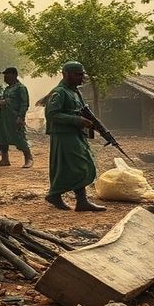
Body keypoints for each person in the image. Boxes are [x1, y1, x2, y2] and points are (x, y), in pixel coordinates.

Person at [44, 62, 105, 212]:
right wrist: (78, 120)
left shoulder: (76, 92)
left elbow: (82, 111)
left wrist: (92, 123)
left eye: (82, 74)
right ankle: (60, 195)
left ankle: (77, 200)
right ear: (65, 74)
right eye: (77, 74)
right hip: (63, 134)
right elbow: (52, 115)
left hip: (76, 133)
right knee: (80, 165)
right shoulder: (59, 92)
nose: (81, 77)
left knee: (70, 166)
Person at [0, 66, 34, 168]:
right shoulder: (7, 89)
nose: (5, 77)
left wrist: (21, 117)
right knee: (2, 137)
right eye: (4, 75)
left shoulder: (21, 88)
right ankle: (4, 159)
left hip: (15, 116)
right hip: (4, 116)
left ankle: (28, 158)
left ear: (14, 75)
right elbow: (5, 100)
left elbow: (24, 104)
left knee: (19, 137)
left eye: (7, 74)